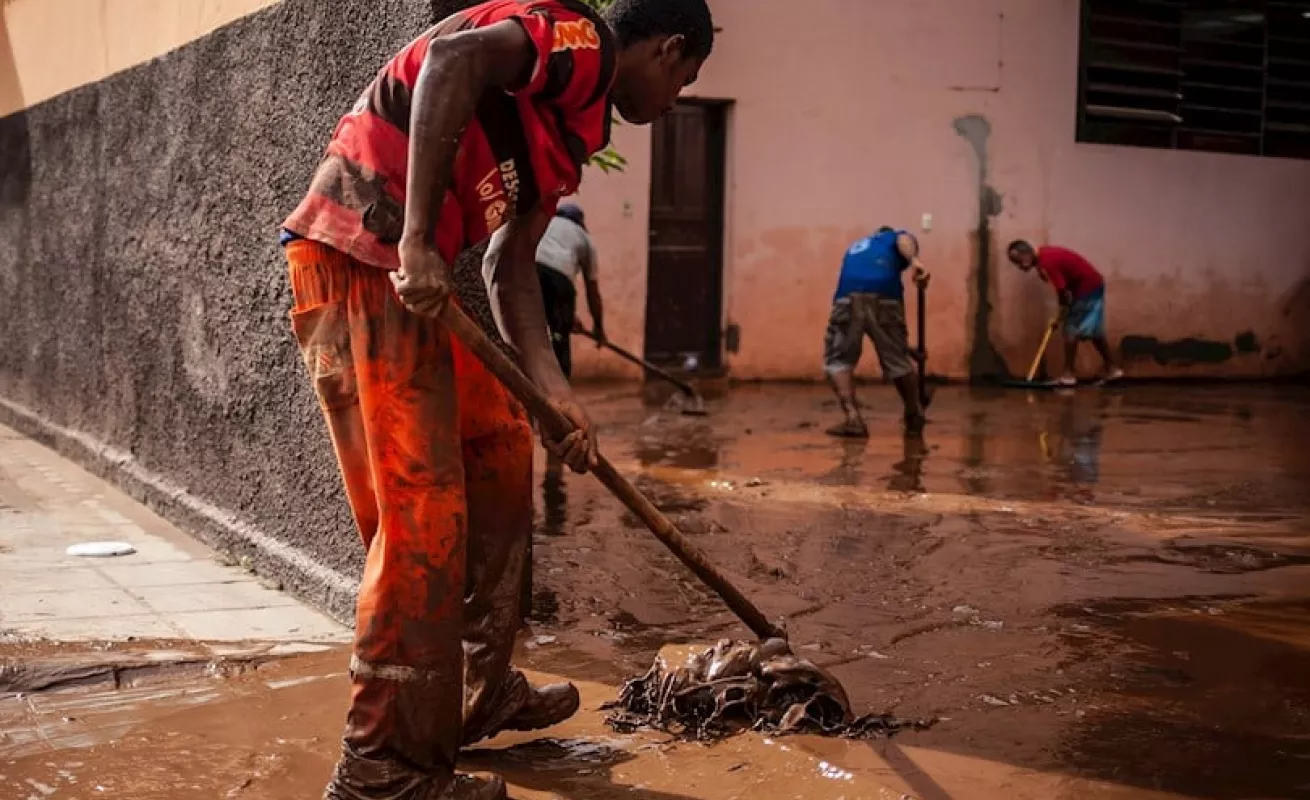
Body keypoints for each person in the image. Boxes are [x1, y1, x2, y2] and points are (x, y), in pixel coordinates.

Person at [278, 0, 714, 797]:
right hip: (364, 254)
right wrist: (417, 239)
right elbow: (452, 61)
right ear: (668, 48)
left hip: (404, 280)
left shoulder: (577, 131)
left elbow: (509, 269)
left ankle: (478, 690)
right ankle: (382, 769)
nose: (676, 99)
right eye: (684, 80)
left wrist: (556, 397)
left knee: (502, 441)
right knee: (422, 519)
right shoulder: (582, 44)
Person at [823, 226, 930, 438]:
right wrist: (915, 261)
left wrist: (908, 350)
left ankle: (853, 419)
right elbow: (903, 240)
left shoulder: (857, 247)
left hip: (848, 296)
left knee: (839, 361)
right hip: (885, 295)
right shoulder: (893, 237)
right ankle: (913, 413)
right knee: (897, 361)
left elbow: (867, 316)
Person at [1006, 240, 1123, 386]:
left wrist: (1062, 312)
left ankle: (1068, 375)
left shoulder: (1047, 262)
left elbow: (1063, 291)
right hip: (1092, 285)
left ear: (1026, 255)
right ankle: (1112, 369)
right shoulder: (1044, 256)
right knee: (1094, 331)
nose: (1019, 267)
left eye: (1018, 262)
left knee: (1070, 330)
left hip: (1086, 289)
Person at [535, 202, 604, 378]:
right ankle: (561, 383)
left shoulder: (545, 223)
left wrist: (568, 315)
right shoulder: (585, 238)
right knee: (559, 337)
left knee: (530, 326)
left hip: (529, 271)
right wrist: (598, 327)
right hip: (559, 279)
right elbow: (592, 291)